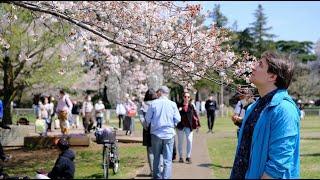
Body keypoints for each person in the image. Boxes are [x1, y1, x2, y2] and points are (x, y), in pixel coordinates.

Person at [230, 51, 301, 179]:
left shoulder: (284, 109)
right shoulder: (254, 107)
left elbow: (278, 164)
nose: (253, 66)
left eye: (260, 65)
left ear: (272, 76)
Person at [145, 86, 181, 179]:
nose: (156, 94)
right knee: (167, 159)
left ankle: (157, 177)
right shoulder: (172, 104)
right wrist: (173, 124)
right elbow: (178, 118)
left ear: (160, 92)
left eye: (157, 92)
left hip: (156, 134)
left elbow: (147, 119)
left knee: (156, 158)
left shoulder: (153, 104)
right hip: (169, 134)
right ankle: (166, 177)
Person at [138, 88, 159, 176]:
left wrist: (146, 126)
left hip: (147, 129)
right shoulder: (157, 103)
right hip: (157, 129)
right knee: (158, 150)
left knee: (150, 151)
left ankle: (152, 171)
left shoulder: (143, 105)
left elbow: (141, 117)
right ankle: (158, 168)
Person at [176, 92, 200, 164]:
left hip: (189, 126)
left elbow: (195, 115)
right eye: (185, 96)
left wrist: (198, 125)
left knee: (189, 141)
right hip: (180, 126)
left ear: (189, 98)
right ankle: (180, 157)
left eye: (188, 97)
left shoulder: (191, 106)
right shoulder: (178, 105)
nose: (186, 98)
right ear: (183, 97)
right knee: (180, 142)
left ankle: (188, 157)